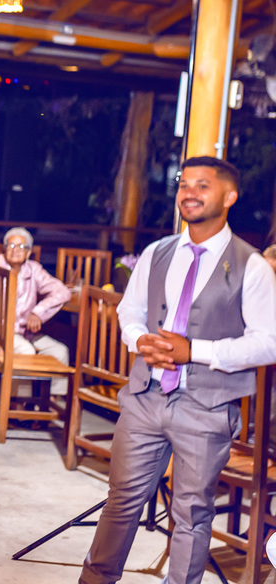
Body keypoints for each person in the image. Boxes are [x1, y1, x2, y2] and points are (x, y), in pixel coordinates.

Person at [81, 157, 276, 584]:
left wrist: (195, 352)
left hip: (208, 407)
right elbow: (130, 311)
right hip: (145, 397)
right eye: (184, 184)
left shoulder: (252, 265)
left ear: (229, 196)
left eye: (202, 185)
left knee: (192, 513)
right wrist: (139, 340)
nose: (189, 193)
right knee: (121, 502)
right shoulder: (157, 252)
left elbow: (269, 342)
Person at [0, 227, 71, 372]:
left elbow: (62, 292)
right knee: (27, 350)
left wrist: (37, 312)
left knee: (60, 352)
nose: (15, 250)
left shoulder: (33, 269)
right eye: (11, 245)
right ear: (5, 249)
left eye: (21, 246)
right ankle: (16, 388)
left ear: (28, 252)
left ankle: (49, 390)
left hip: (26, 333)